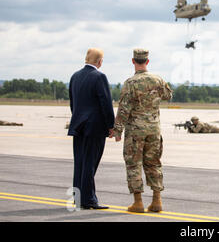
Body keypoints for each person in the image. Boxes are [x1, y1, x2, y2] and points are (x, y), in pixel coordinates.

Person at [112, 48, 172, 213]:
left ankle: (138, 203)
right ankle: (157, 201)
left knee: (134, 164)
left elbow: (124, 109)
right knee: (154, 163)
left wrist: (117, 130)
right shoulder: (158, 80)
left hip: (136, 132)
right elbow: (168, 96)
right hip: (154, 129)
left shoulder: (130, 83)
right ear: (147, 61)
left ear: (133, 61)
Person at [67, 48, 115, 210]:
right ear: (99, 61)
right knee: (90, 163)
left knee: (79, 162)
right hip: (94, 127)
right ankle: (88, 200)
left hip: (78, 126)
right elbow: (106, 103)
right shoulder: (99, 77)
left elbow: (73, 104)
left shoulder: (75, 76)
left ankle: (78, 198)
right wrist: (111, 125)